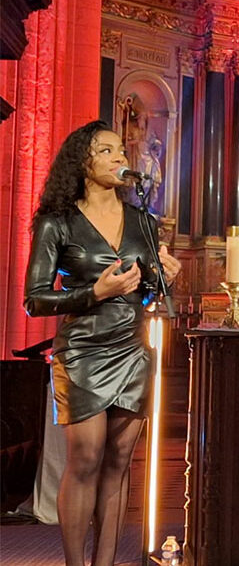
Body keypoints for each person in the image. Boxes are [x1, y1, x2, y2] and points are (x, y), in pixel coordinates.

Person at [23, 120, 181, 566]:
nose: (120, 158)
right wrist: (94, 293)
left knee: (119, 462)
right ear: (83, 162)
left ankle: (106, 562)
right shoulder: (59, 221)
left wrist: (161, 278)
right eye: (107, 151)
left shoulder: (143, 221)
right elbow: (34, 300)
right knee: (87, 457)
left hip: (131, 349)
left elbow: (147, 292)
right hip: (82, 351)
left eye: (121, 152)